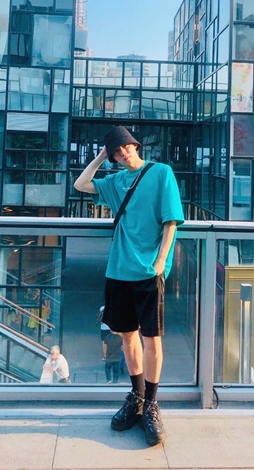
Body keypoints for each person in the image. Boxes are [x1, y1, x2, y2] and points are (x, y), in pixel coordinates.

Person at [74, 125, 184, 446]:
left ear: (135, 145)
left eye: (125, 146)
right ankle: (136, 398)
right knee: (127, 337)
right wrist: (99, 157)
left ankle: (151, 404)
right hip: (119, 269)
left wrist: (161, 261)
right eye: (116, 151)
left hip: (149, 270)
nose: (122, 153)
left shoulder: (161, 173)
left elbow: (171, 221)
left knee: (152, 339)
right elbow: (81, 184)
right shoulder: (115, 181)